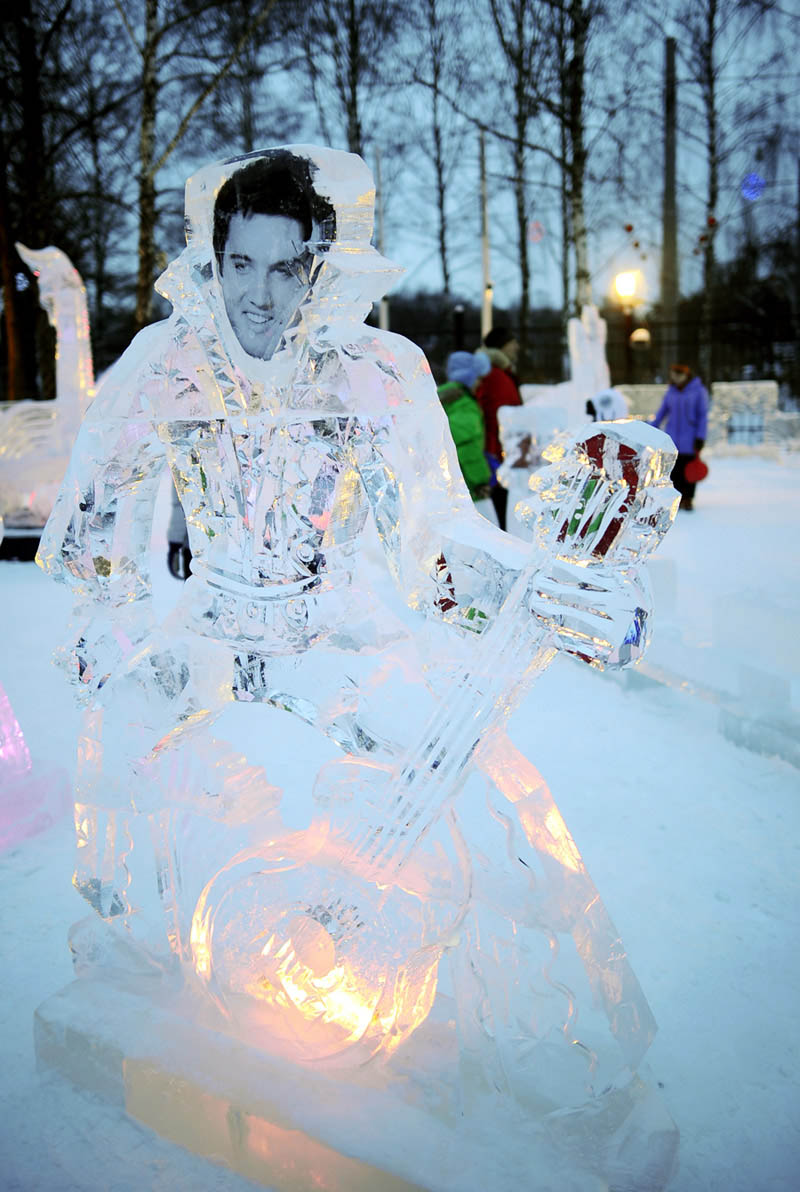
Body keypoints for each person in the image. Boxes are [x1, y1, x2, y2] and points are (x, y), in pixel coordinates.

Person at [36, 147, 655, 1077]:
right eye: (238, 264)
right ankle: (136, 946)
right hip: (209, 625)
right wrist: (109, 638)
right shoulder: (166, 365)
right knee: (121, 735)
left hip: (337, 626)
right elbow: (93, 538)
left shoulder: (379, 369)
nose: (258, 295)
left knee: (493, 788)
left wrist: (543, 589)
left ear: (322, 270)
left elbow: (434, 541)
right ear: (211, 262)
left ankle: (559, 1053)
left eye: (285, 268)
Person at [476, 326, 522, 529]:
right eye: (513, 343)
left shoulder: (496, 372)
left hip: (495, 451)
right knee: (499, 512)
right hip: (497, 454)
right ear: (503, 346)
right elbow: (497, 417)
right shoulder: (497, 376)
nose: (517, 347)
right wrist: (497, 454)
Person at [436, 351, 492, 504]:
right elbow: (467, 446)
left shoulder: (443, 397)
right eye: (478, 378)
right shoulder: (464, 404)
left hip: (448, 483)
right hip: (468, 486)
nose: (480, 383)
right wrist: (480, 481)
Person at [651, 363, 708, 510]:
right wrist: (651, 427)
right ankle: (676, 499)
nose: (676, 379)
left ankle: (688, 499)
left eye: (679, 375)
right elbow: (662, 412)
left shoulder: (698, 391)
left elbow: (702, 416)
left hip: (690, 439)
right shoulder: (671, 392)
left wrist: (700, 436)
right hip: (673, 439)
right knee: (674, 471)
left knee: (688, 470)